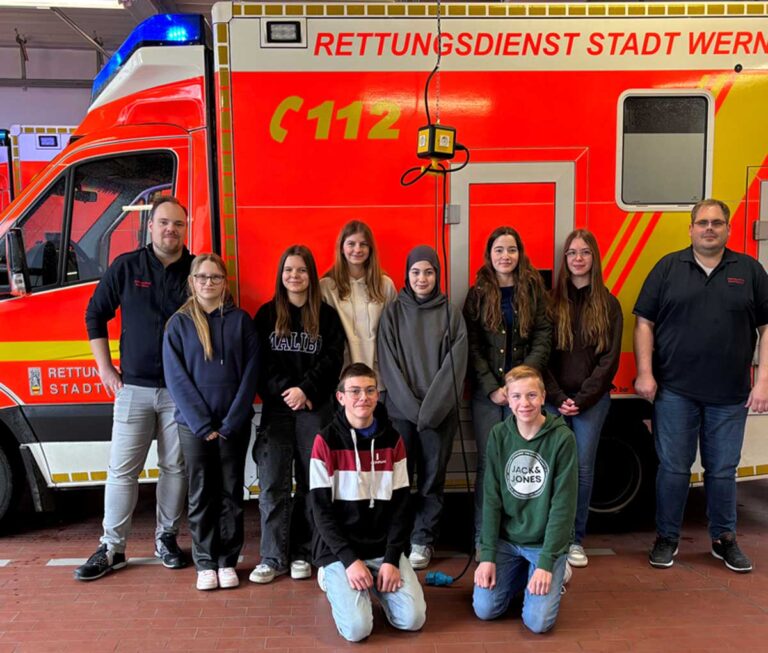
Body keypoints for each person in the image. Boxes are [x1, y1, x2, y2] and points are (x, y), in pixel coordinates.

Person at [634, 198, 768, 573]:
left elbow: (766, 327)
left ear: (727, 229)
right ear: (690, 228)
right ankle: (667, 538)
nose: (710, 228)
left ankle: (724, 540)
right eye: (703, 222)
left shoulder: (750, 270)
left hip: (731, 394)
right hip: (675, 390)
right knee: (673, 468)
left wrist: (763, 382)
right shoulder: (667, 268)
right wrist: (645, 373)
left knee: (722, 470)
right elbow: (644, 321)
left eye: (717, 223)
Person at [76, 196, 193, 581]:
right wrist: (105, 368)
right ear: (150, 226)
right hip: (135, 389)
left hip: (181, 393)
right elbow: (95, 313)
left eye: (177, 224)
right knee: (122, 471)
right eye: (163, 222)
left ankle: (167, 540)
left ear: (185, 228)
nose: (170, 230)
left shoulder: (196, 271)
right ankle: (112, 548)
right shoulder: (127, 267)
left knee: (175, 468)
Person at [309, 363, 426, 642]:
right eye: (355, 391)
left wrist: (391, 559)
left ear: (377, 395)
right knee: (358, 630)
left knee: (413, 620)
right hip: (340, 551)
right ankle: (332, 576)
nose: (363, 397)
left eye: (370, 390)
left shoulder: (394, 440)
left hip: (381, 546)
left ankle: (376, 583)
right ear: (341, 397)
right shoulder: (324, 441)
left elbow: (401, 507)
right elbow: (321, 512)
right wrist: (349, 561)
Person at [162, 253, 259, 591]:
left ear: (224, 282)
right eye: (202, 277)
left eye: (215, 277)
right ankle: (205, 562)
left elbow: (250, 375)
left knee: (231, 491)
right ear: (192, 281)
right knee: (201, 493)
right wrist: (202, 425)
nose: (208, 283)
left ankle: (227, 561)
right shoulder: (178, 324)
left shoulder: (241, 321)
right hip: (193, 427)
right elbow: (176, 379)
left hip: (234, 423)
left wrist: (231, 421)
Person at [251, 245, 345, 584]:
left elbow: (333, 360)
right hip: (278, 411)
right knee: (273, 484)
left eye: (301, 270)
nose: (294, 276)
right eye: (289, 270)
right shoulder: (266, 315)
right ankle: (273, 556)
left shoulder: (327, 316)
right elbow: (261, 364)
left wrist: (306, 390)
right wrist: (288, 391)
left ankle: (305, 552)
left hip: (315, 409)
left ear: (311, 275)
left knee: (311, 485)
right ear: (281, 275)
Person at [378, 245, 468, 570]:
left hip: (438, 414)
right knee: (399, 479)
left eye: (428, 271)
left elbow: (454, 368)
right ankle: (397, 539)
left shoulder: (451, 314)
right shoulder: (392, 313)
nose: (422, 278)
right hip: (401, 413)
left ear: (437, 275)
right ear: (406, 274)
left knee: (432, 480)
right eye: (416, 271)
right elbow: (388, 365)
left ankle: (423, 539)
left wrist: (428, 412)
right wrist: (413, 410)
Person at [463, 226, 551, 548]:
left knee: (522, 463)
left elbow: (543, 336)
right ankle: (483, 538)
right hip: (489, 397)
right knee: (489, 464)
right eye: (499, 250)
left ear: (520, 254)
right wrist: (493, 389)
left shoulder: (534, 290)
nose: (505, 256)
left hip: (524, 396)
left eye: (511, 250)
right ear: (489, 255)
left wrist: (522, 384)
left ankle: (517, 536)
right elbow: (471, 346)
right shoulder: (477, 294)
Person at [473, 365, 577, 634]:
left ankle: (554, 568)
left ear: (543, 397)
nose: (524, 403)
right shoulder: (498, 435)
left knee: (537, 623)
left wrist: (545, 563)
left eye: (531, 395)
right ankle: (523, 573)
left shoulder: (562, 438)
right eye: (516, 396)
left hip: (543, 543)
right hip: (508, 542)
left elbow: (562, 507)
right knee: (485, 610)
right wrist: (487, 554)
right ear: (507, 399)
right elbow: (491, 500)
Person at [545, 229, 622, 568]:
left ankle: (575, 540)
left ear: (594, 259)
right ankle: (551, 536)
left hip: (592, 401)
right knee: (552, 470)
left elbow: (611, 359)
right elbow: (541, 357)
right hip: (553, 400)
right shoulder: (550, 303)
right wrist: (558, 396)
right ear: (564, 260)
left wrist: (584, 398)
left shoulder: (608, 303)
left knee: (583, 469)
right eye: (572, 252)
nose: (578, 258)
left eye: (585, 252)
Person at [320, 221, 397, 383]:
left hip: (379, 377)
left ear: (370, 249)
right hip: (340, 379)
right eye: (351, 244)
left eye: (363, 244)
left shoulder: (385, 285)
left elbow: (395, 334)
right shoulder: (326, 286)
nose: (357, 249)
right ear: (341, 248)